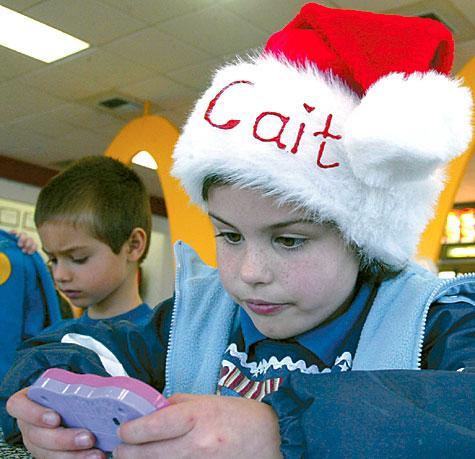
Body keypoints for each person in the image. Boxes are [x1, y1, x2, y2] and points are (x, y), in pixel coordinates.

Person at [1, 3, 474, 458]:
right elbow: (64, 348)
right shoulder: (194, 321)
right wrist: (45, 405)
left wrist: (279, 431)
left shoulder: (431, 324)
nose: (249, 273)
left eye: (288, 239)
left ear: (365, 238)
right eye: (229, 235)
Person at [26, 156, 154, 328]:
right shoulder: (56, 338)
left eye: (79, 258)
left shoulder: (161, 343)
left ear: (133, 245)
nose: (59, 276)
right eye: (53, 260)